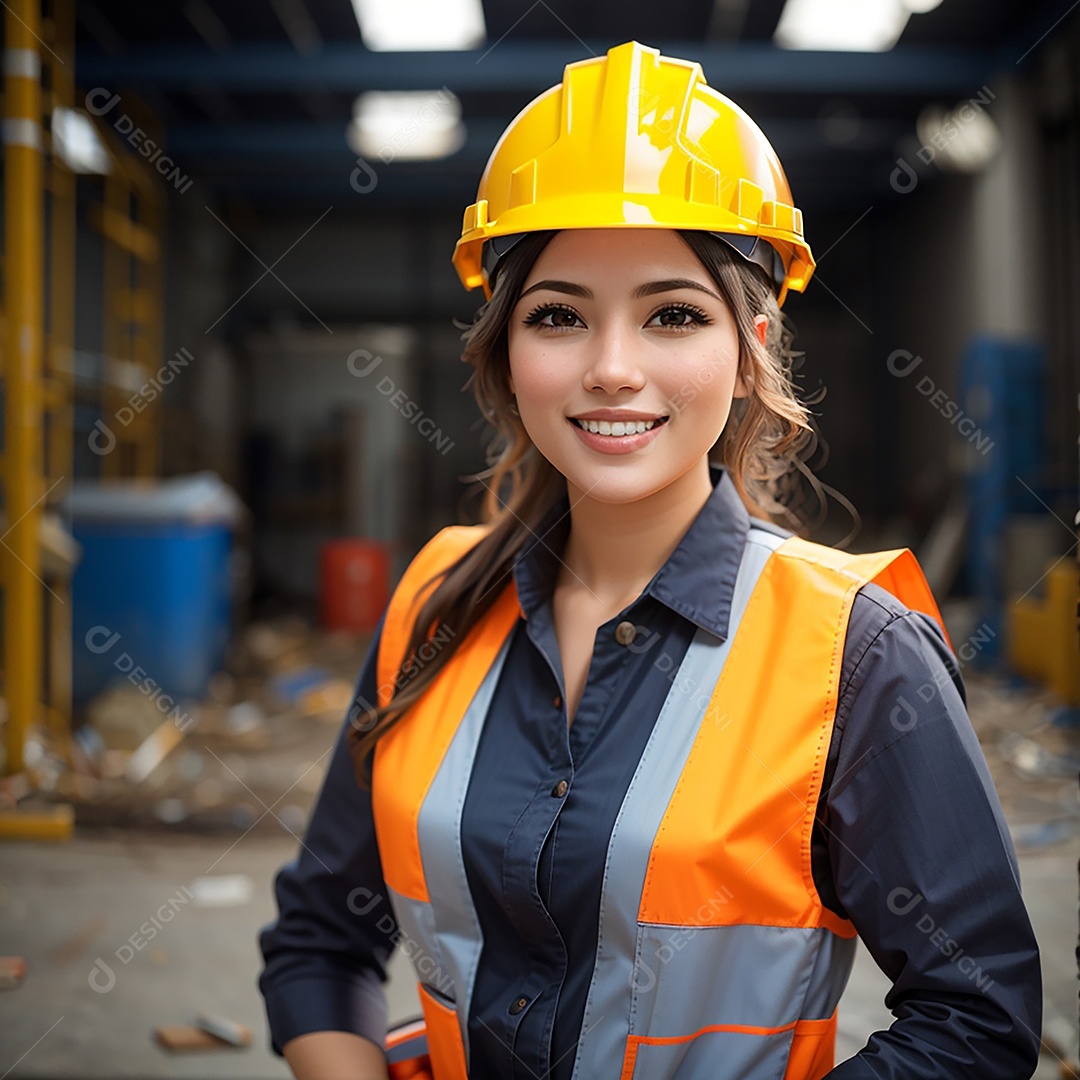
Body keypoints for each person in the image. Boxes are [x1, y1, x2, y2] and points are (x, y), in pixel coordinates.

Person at [258, 40, 1042, 1080]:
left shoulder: (855, 652)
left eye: (673, 314)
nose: (612, 369)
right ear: (504, 350)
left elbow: (975, 1018)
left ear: (751, 340)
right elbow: (321, 934)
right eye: (558, 316)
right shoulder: (435, 607)